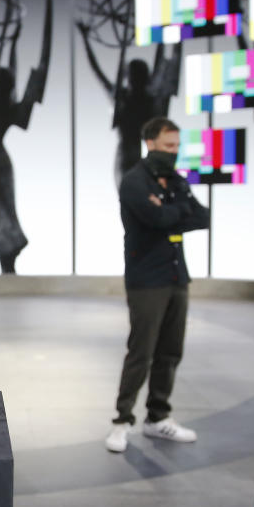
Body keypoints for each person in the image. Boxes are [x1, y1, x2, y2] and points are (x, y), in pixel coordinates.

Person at [105, 117, 209, 453]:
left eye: (177, 146)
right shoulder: (135, 181)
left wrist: (169, 209)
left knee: (170, 352)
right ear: (150, 142)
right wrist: (174, 212)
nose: (174, 152)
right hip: (147, 280)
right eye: (168, 146)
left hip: (177, 276)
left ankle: (158, 418)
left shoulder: (175, 181)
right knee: (142, 353)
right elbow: (156, 219)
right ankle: (121, 422)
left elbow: (201, 216)